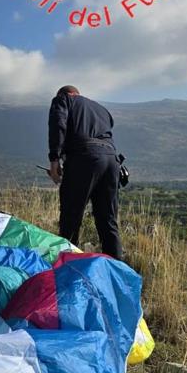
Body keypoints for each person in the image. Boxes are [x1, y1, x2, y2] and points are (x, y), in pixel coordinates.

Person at [47, 85, 122, 260]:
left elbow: (58, 124)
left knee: (71, 217)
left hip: (84, 157)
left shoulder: (63, 100)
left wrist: (54, 159)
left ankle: (68, 268)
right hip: (112, 160)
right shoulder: (101, 109)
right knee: (108, 221)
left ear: (65, 94)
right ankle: (117, 272)